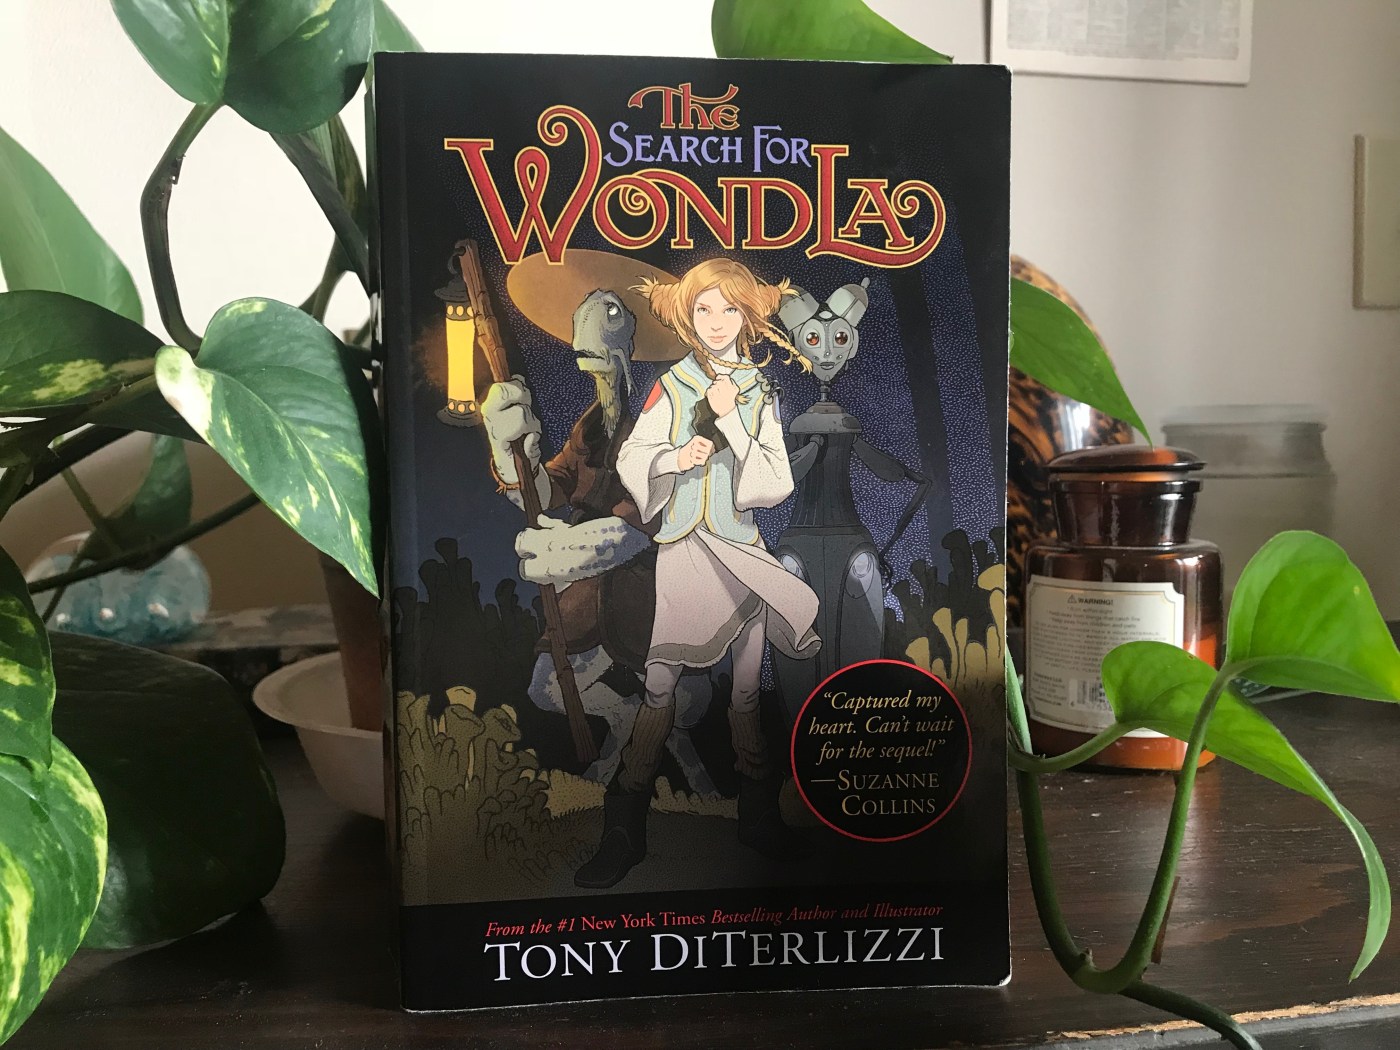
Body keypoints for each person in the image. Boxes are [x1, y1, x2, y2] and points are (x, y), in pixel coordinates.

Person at [575, 257, 822, 889]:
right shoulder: (672, 384)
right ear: (687, 314)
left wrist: (732, 418)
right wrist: (674, 456)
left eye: (729, 308)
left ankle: (758, 821)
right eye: (704, 309)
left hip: (741, 549)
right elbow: (634, 457)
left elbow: (775, 481)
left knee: (746, 690)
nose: (716, 322)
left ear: (748, 313)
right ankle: (623, 830)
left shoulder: (760, 391)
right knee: (660, 685)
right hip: (686, 547)